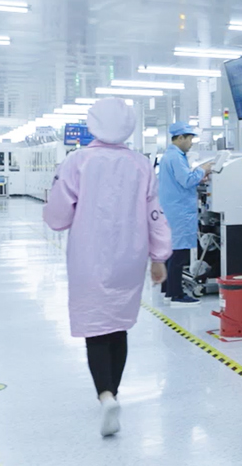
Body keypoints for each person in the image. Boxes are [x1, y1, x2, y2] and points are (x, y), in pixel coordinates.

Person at [42, 98, 171, 437]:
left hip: (89, 257)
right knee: (118, 325)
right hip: (130, 257)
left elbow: (57, 216)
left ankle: (105, 395)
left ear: (93, 124)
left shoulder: (77, 161)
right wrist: (159, 257)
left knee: (95, 326)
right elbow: (155, 215)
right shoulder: (141, 164)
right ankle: (114, 392)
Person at [156, 122, 206, 303]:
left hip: (172, 209)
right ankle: (176, 294)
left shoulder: (169, 156)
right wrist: (204, 170)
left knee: (171, 251)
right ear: (180, 138)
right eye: (190, 139)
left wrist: (198, 176)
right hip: (179, 211)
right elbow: (186, 180)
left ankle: (167, 288)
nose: (191, 143)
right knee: (179, 253)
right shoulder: (176, 157)